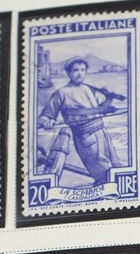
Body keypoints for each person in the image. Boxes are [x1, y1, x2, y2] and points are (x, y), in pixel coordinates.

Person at [38, 57, 126, 186]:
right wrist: (47, 122)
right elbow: (45, 116)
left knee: (115, 166)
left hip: (102, 133)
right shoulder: (61, 93)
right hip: (85, 136)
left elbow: (102, 109)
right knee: (102, 170)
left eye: (82, 70)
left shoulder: (90, 89)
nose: (79, 73)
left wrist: (109, 97)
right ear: (68, 73)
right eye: (75, 70)